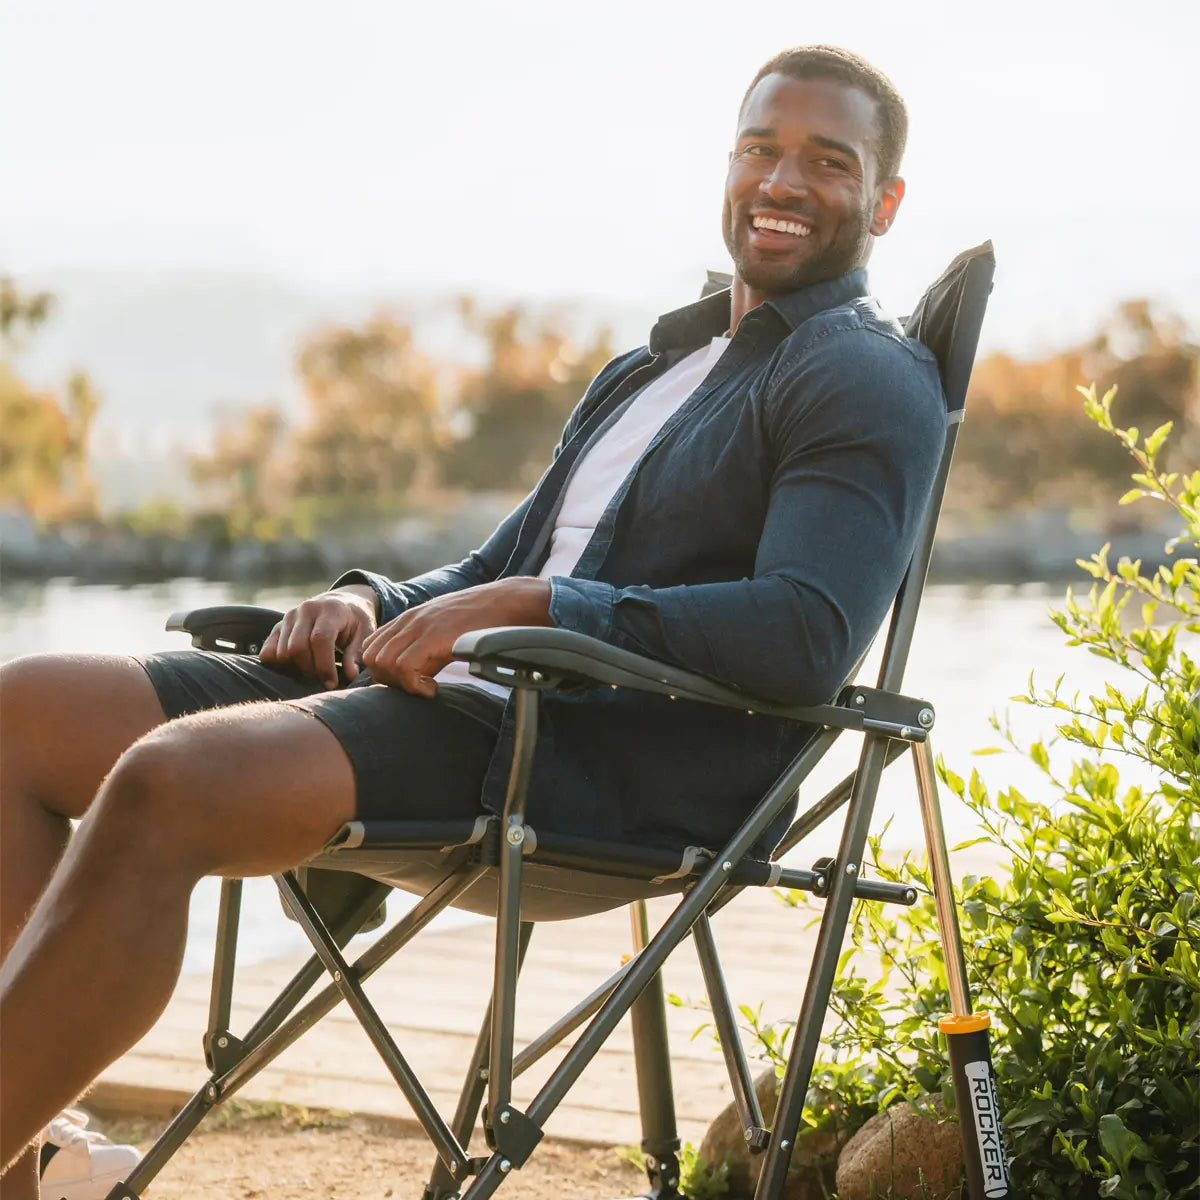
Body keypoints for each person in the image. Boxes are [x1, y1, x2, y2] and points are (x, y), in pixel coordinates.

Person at [0, 44, 946, 1192]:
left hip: (589, 755)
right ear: (730, 166)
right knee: (21, 717)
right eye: (761, 148)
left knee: (168, 782)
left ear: (885, 201)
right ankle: (27, 1158)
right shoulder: (654, 364)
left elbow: (801, 632)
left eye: (828, 162)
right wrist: (371, 599)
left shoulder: (860, 374)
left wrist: (543, 605)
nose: (783, 181)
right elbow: (501, 564)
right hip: (457, 695)